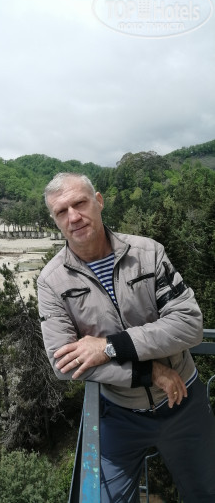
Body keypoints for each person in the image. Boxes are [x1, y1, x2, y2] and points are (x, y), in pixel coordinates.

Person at [37, 172, 215, 503]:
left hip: (185, 401)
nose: (73, 216)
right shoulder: (51, 281)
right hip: (118, 414)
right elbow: (64, 363)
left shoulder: (148, 253)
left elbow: (189, 324)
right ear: (54, 220)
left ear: (99, 201)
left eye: (80, 203)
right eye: (61, 211)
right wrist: (149, 372)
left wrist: (109, 347)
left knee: (206, 492)